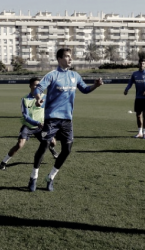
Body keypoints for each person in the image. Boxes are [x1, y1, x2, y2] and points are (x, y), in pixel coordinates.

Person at [29, 47, 103, 192]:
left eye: (71, 56)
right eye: (67, 56)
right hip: (51, 120)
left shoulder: (75, 75)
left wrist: (95, 85)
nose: (70, 59)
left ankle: (50, 177)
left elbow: (85, 90)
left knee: (67, 149)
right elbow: (38, 89)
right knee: (43, 147)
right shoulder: (52, 75)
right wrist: (38, 99)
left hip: (67, 121)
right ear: (59, 59)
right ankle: (33, 177)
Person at [0, 77, 59, 173]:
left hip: (41, 127)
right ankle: (3, 162)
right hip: (28, 126)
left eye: (39, 85)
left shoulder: (45, 98)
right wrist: (37, 123)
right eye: (35, 85)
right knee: (19, 145)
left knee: (53, 142)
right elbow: (25, 116)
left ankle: (51, 148)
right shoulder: (25, 99)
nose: (37, 87)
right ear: (30, 86)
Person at [124, 58, 145, 139]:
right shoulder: (135, 74)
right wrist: (127, 89)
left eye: (143, 63)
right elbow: (130, 83)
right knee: (138, 115)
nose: (142, 65)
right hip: (138, 97)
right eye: (140, 63)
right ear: (138, 64)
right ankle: (139, 133)